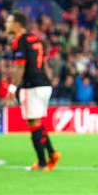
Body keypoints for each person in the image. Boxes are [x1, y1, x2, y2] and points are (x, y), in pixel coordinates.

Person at [5, 12, 61, 171]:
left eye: (9, 21)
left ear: (17, 24)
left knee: (34, 124)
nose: (6, 24)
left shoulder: (19, 41)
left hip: (32, 85)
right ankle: (52, 154)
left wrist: (12, 87)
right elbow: (43, 63)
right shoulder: (36, 38)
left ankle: (43, 163)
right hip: (43, 83)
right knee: (35, 122)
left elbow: (20, 66)